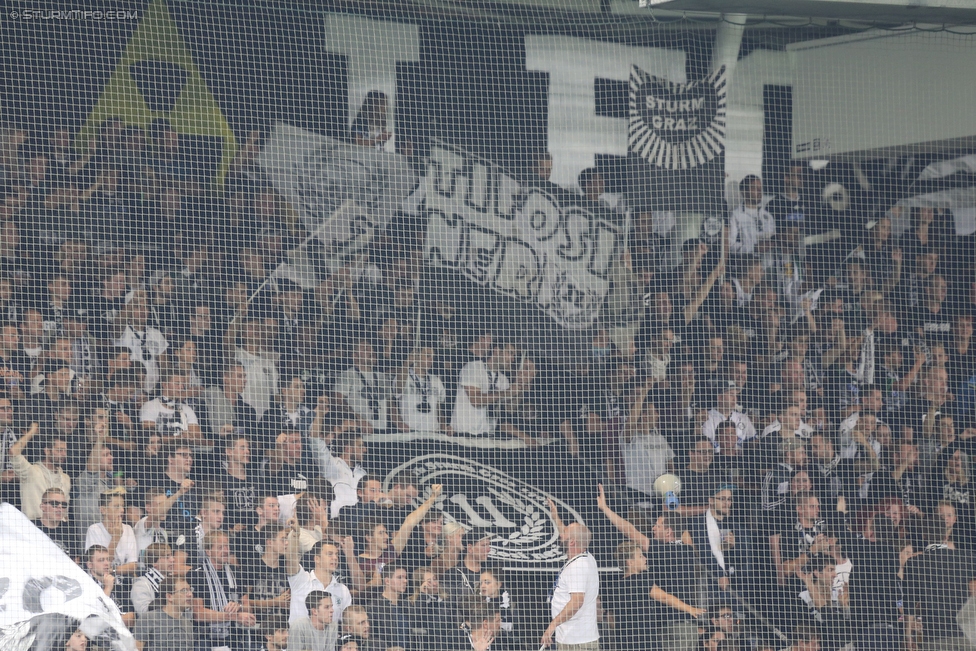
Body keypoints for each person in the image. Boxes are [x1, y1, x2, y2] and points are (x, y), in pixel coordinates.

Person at [540, 518, 599, 650]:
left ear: (572, 542)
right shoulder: (586, 557)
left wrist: (552, 626)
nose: (560, 534)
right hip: (576, 637)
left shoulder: (578, 567)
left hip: (575, 641)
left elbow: (577, 601)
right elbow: (571, 534)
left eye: (564, 533)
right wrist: (555, 515)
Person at [285, 518, 354, 625]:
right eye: (330, 554)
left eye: (336, 554)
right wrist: (295, 535)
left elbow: (347, 624)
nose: (335, 558)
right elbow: (291, 560)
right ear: (317, 559)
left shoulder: (343, 590)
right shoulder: (302, 579)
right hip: (301, 639)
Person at [9, 422, 71, 519]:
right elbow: (13, 452)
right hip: (34, 529)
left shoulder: (65, 479)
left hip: (58, 530)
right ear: (47, 451)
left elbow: (65, 513)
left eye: (65, 451)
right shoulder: (32, 471)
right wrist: (31, 432)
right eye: (59, 450)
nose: (64, 454)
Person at [133, 575, 196, 651]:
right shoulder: (148, 619)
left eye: (190, 590)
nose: (190, 594)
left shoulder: (188, 624)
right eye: (183, 591)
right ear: (169, 596)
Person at [130, 542, 176, 614]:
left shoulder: (176, 581)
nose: (173, 560)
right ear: (154, 562)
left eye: (171, 556)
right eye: (167, 557)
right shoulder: (141, 584)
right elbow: (144, 614)